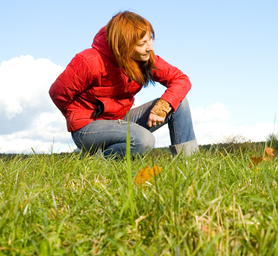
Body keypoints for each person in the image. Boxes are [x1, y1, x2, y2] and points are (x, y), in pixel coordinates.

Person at [49, 11, 198, 158]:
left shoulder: (144, 58)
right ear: (124, 45)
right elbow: (57, 93)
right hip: (88, 127)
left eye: (150, 39)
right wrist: (77, 116)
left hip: (120, 120)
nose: (150, 47)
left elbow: (181, 79)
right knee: (143, 140)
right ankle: (96, 161)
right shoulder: (89, 61)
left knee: (178, 103)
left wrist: (163, 106)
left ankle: (189, 163)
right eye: (142, 43)